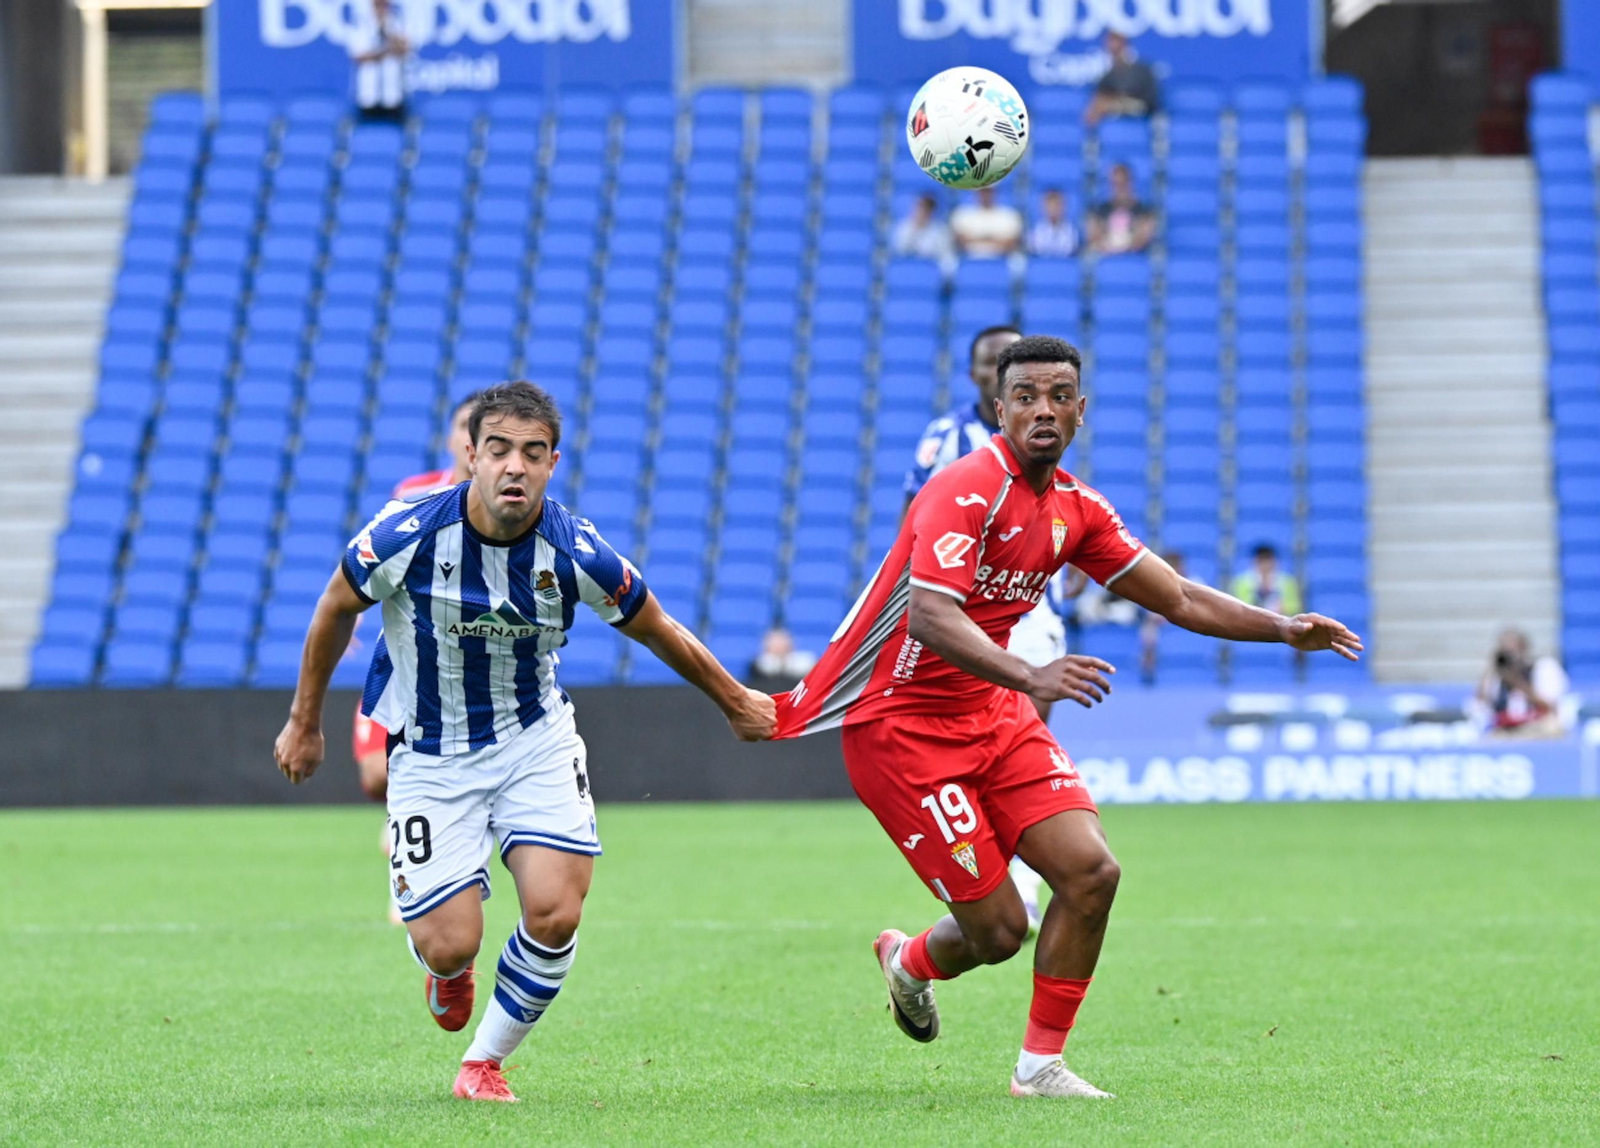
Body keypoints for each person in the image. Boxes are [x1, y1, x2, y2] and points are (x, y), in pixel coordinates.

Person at [774, 336, 1361, 1100]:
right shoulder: (964, 487)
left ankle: (1039, 1068)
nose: (1042, 410)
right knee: (997, 933)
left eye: (1058, 396)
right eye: (1025, 397)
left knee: (1091, 873)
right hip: (902, 729)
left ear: (1080, 412)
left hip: (993, 713)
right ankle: (910, 962)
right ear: (1000, 409)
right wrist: (1030, 671)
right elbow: (927, 614)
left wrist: (1279, 628)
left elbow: (1177, 596)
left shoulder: (1076, 509)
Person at [273, 381, 776, 1103]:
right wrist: (304, 721)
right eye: (500, 450)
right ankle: (449, 972)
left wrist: (735, 702)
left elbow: (656, 626)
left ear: (553, 463)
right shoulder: (405, 534)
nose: (515, 467)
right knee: (449, 943)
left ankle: (483, 1064)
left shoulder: (575, 551)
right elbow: (333, 607)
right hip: (429, 752)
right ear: (470, 455)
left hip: (534, 743)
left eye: (533, 454)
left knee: (555, 910)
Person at [906, 326, 1065, 935]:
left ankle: (1022, 875)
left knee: (1024, 721)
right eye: (989, 362)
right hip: (954, 611)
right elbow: (912, 517)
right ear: (982, 376)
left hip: (1026, 616)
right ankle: (984, 866)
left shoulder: (1038, 446)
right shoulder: (947, 439)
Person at [352, 392, 481, 804]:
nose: (469, 437)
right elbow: (376, 556)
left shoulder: (510, 508)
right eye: (463, 425)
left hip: (476, 661)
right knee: (375, 775)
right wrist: (353, 610)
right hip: (408, 656)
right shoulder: (414, 493)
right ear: (450, 439)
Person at [1471, 628, 1570, 738]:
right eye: (1505, 650)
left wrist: (1518, 683)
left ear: (1524, 649)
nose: (1510, 654)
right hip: (1506, 729)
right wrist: (1491, 668)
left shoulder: (1543, 668)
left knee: (1553, 728)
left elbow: (1550, 706)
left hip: (1537, 726)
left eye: (1513, 649)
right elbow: (1480, 704)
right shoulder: (1497, 675)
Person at [349, 0, 410, 123]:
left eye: (384, 5)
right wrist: (385, 52)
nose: (381, 9)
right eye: (378, 5)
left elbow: (404, 49)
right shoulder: (361, 25)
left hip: (393, 93)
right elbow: (359, 56)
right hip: (368, 93)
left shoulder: (397, 24)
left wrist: (387, 30)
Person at [1084, 31, 1161, 126]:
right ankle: (1092, 137)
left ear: (1125, 45)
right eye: (1110, 46)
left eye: (1117, 46)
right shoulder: (1109, 75)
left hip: (1143, 106)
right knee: (1098, 103)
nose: (1113, 49)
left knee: (1103, 105)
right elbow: (1100, 94)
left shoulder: (1143, 70)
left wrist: (1121, 99)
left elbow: (1151, 99)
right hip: (1116, 106)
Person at [1086, 164, 1155, 257]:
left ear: (1131, 183)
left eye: (1123, 184)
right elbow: (1094, 237)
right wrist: (1109, 247)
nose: (1119, 189)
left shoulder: (1144, 211)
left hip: (1134, 259)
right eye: (1115, 184)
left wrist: (1123, 247)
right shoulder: (1099, 211)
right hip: (1107, 259)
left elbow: (1143, 238)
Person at [950, 186, 1024, 260]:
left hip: (1001, 260)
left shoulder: (1009, 214)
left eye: (988, 192)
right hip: (970, 259)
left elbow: (1011, 242)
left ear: (995, 193)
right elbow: (961, 240)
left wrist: (977, 239)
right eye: (982, 192)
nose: (986, 195)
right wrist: (994, 240)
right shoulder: (963, 214)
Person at [1229, 543, 1302, 617]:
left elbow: (1295, 608)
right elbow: (1238, 608)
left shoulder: (1288, 582)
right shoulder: (1242, 582)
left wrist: (1283, 609)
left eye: (1267, 560)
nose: (1265, 565)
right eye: (1261, 561)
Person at [746, 627, 816, 694]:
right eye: (775, 642)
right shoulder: (756, 669)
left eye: (782, 641)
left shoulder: (805, 668)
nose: (779, 645)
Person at [892, 193, 955, 267]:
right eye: (919, 208)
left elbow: (946, 256)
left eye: (925, 209)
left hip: (930, 270)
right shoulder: (904, 227)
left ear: (931, 212)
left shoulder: (940, 231)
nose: (920, 212)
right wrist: (914, 231)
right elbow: (900, 250)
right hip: (909, 268)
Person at [1027, 187, 1079, 259]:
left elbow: (1070, 250)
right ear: (1044, 207)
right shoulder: (1035, 231)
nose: (1053, 209)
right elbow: (1036, 250)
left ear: (1063, 206)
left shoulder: (1072, 231)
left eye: (1057, 205)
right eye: (1050, 205)